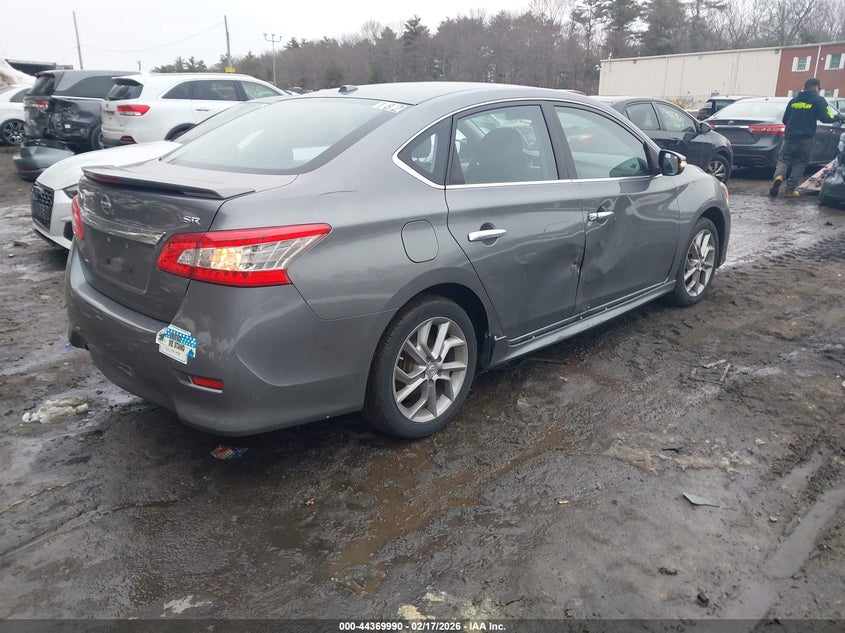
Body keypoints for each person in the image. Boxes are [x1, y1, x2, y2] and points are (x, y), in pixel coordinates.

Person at [769, 77, 845, 198]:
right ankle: (789, 191)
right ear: (816, 87)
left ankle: (779, 176)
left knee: (783, 160)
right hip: (806, 138)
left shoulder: (794, 101)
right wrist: (838, 117)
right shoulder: (819, 100)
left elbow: (785, 120)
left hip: (789, 137)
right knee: (800, 163)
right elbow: (827, 117)